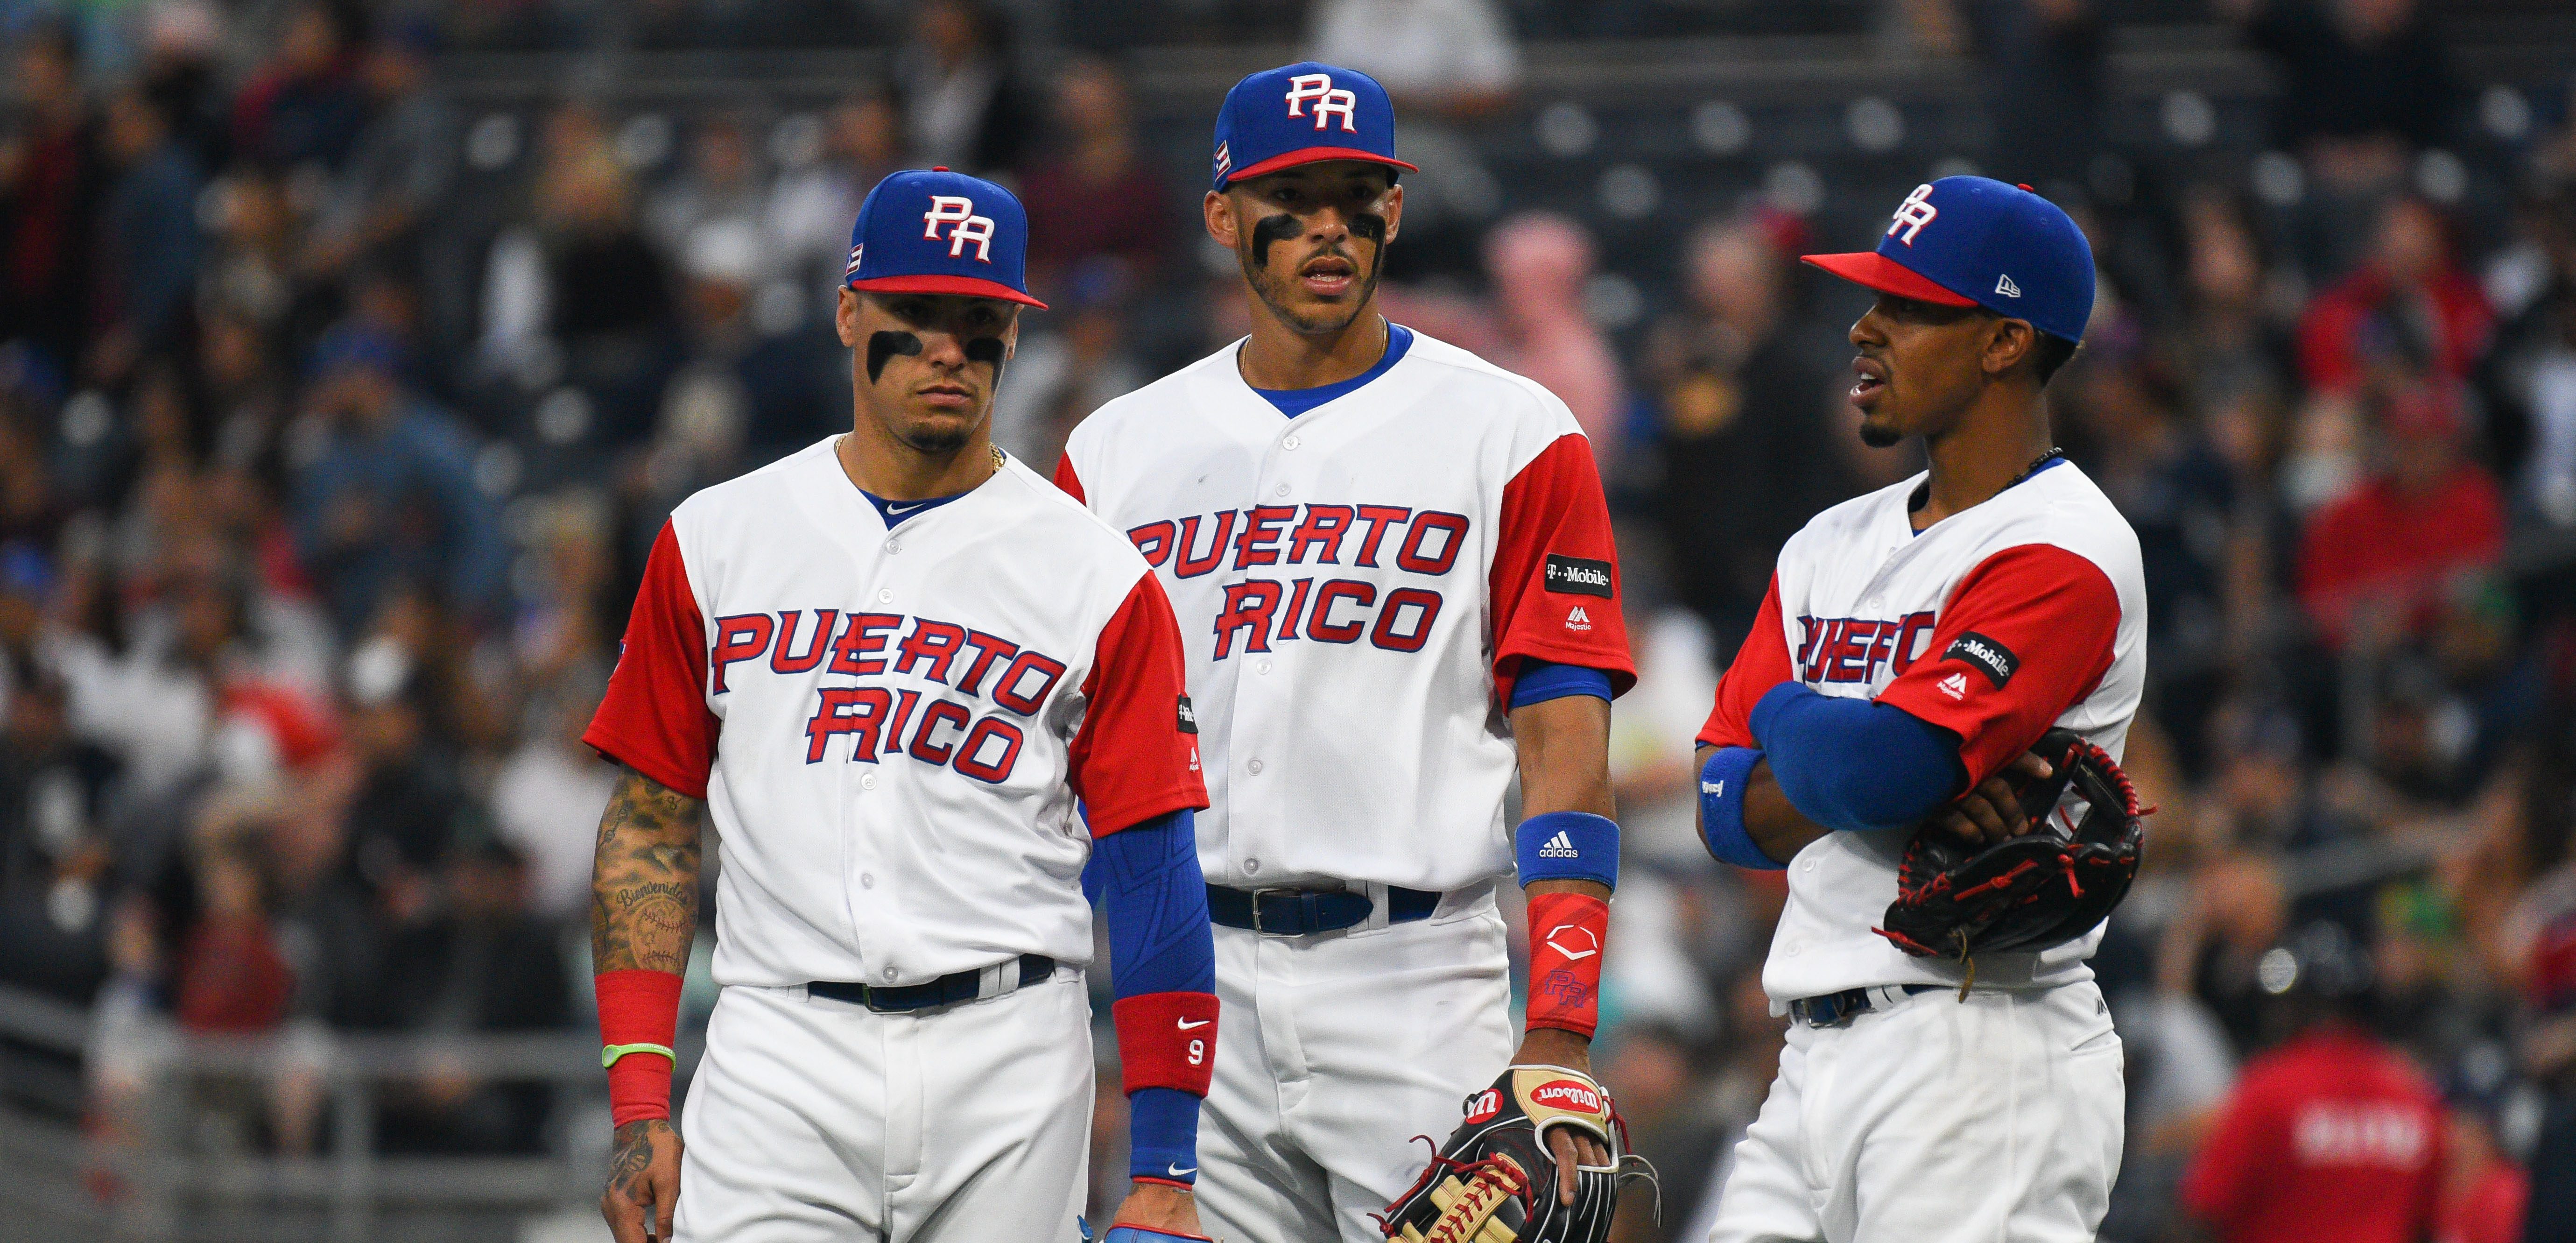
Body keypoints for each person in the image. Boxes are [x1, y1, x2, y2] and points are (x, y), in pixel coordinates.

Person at [1056, 63, 1636, 1241]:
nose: (1330, 224)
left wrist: (1562, 1030)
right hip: (1188, 979)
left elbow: (1563, 735)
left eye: (1357, 193)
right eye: (1293, 195)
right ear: (1223, 219)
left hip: (1415, 981)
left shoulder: (1512, 431)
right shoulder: (1114, 450)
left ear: (1394, 211)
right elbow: (1063, 753)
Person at [582, 168, 1215, 1243]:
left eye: (980, 325)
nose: (948, 351)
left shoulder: (1095, 574)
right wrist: (643, 1105)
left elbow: (1154, 868)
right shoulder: (717, 537)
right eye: (915, 317)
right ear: (848, 313)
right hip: (779, 1051)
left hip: (1009, 1058)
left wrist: (1163, 1163)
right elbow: (650, 823)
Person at [1692, 177, 2142, 1243]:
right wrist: (1846, 743)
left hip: (1979, 1050)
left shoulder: (2066, 547)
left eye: (1909, 306)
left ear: (2001, 342)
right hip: (1812, 1053)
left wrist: (1792, 717)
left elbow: (1877, 772)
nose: (1865, 327)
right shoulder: (1825, 544)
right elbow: (1719, 806)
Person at [2178, 922, 2447, 1243]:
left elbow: (2204, 1207)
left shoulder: (2270, 1090)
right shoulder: (2415, 1098)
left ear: (2293, 1008)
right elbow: (2429, 1223)